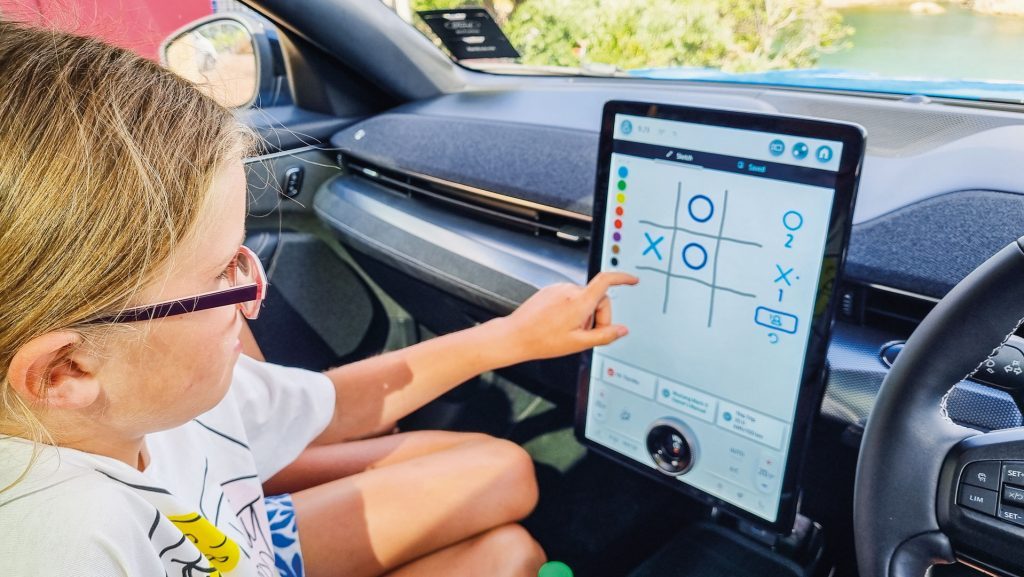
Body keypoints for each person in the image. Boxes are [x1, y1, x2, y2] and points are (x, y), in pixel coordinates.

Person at [0, 21, 638, 577]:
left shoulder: (163, 397)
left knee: (507, 505)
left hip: (236, 538)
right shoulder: (67, 547)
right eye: (225, 272)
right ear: (67, 371)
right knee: (512, 558)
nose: (255, 291)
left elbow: (326, 407)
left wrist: (512, 338)